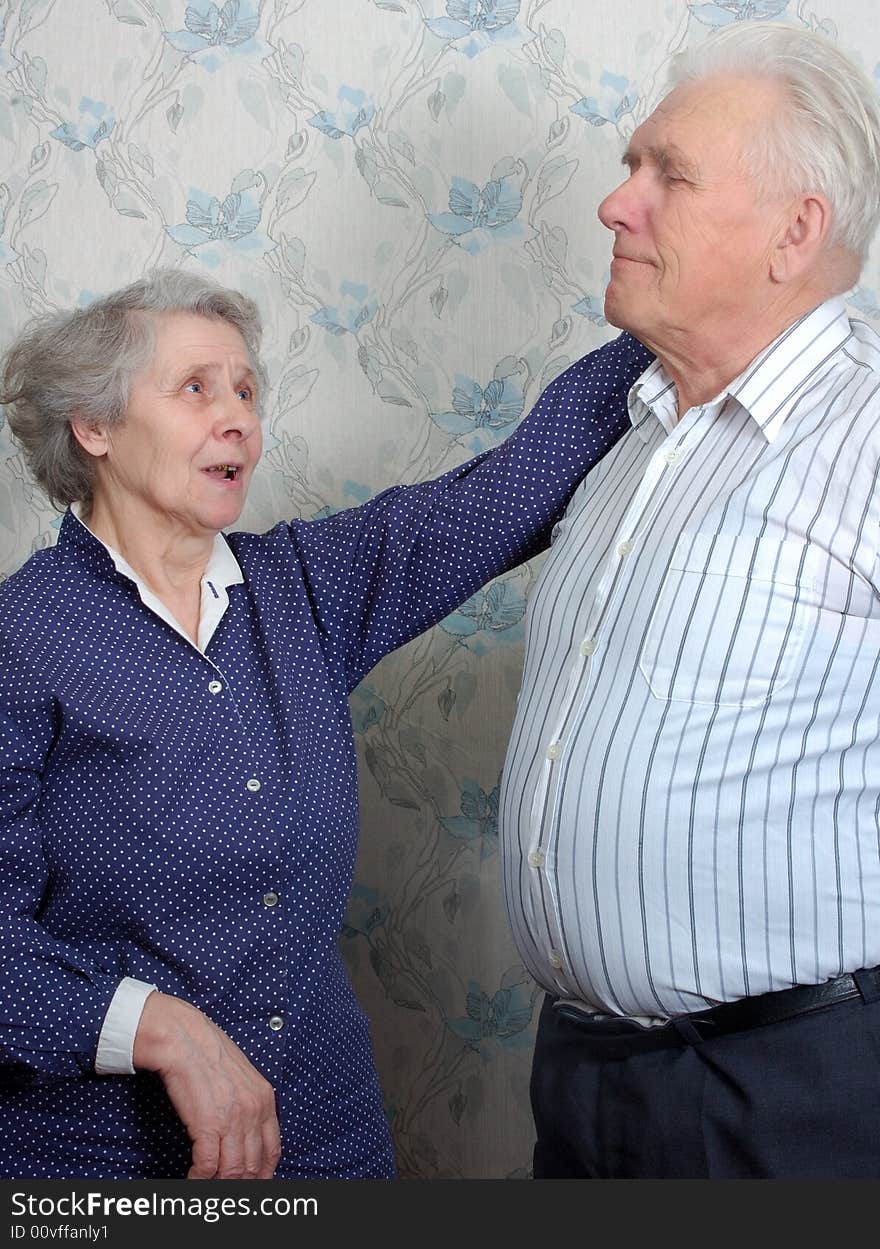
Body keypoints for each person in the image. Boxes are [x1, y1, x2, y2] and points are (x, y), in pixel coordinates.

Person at [0, 269, 649, 1179]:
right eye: (196, 389)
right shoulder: (21, 638)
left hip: (328, 1143)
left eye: (247, 391)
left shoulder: (304, 588)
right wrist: (160, 1029)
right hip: (100, 1161)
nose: (238, 418)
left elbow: (506, 489)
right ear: (94, 427)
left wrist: (675, 311)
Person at [499, 19, 880, 1178]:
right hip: (582, 1074)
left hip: (792, 1090)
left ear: (792, 231)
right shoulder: (627, 441)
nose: (617, 205)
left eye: (668, 175)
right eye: (628, 169)